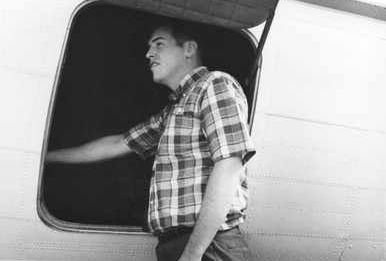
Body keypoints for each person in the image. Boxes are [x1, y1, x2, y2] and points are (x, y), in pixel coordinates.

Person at [46, 18, 256, 261]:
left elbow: (230, 166)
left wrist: (193, 253)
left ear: (188, 49)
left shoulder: (215, 85)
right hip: (181, 245)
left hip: (210, 246)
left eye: (159, 44)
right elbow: (117, 143)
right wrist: (47, 157)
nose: (148, 53)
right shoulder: (173, 110)